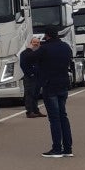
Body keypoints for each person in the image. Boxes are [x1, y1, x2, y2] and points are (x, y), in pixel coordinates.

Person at [35, 26, 74, 158]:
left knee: (54, 118)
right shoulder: (66, 47)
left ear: (47, 35)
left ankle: (57, 148)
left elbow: (31, 58)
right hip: (63, 84)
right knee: (63, 116)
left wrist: (32, 47)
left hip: (50, 85)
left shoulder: (44, 48)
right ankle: (68, 148)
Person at [19, 36, 46, 119]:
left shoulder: (39, 53)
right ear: (30, 43)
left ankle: (36, 111)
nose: (36, 44)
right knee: (29, 94)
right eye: (34, 42)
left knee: (36, 94)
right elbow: (23, 65)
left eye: (38, 43)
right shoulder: (25, 53)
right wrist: (30, 74)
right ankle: (29, 112)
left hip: (38, 77)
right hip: (29, 77)